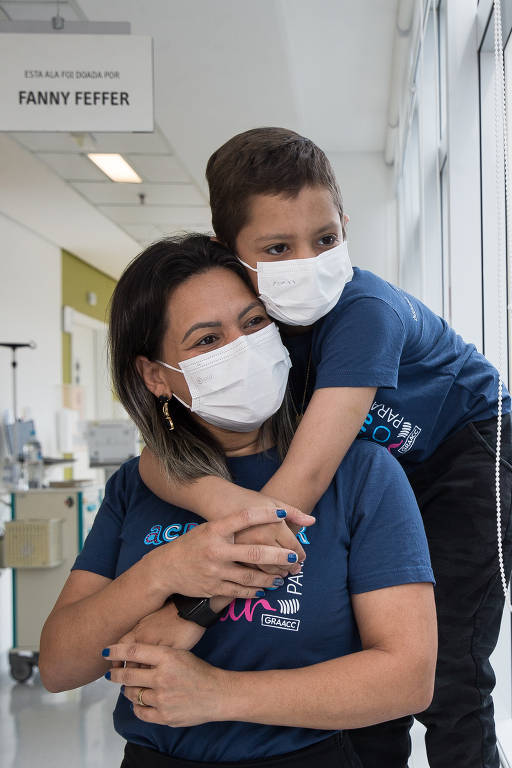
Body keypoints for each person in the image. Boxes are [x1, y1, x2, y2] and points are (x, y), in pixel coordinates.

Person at [138, 128, 512, 768]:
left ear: (346, 223)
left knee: (447, 664)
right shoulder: (252, 325)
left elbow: (300, 483)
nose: (307, 262)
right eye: (278, 247)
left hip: (467, 450)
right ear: (231, 253)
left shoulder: (364, 311)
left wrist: (194, 609)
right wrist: (228, 501)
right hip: (374, 472)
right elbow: (161, 457)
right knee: (352, 649)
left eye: (325, 239)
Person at [39, 234, 436, 768]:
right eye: (206, 340)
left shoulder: (361, 475)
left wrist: (219, 693)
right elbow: (60, 666)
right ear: (155, 375)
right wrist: (163, 571)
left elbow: (408, 679)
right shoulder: (137, 485)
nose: (241, 348)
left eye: (253, 324)